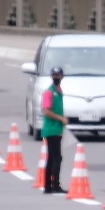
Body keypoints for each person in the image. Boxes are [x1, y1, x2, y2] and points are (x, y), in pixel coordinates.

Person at [39, 66, 68, 194]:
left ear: (62, 76)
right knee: (56, 158)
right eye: (54, 75)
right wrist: (61, 119)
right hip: (52, 130)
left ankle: (48, 186)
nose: (56, 77)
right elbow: (46, 111)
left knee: (52, 157)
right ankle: (53, 185)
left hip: (56, 129)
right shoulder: (49, 92)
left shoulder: (59, 91)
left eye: (58, 75)